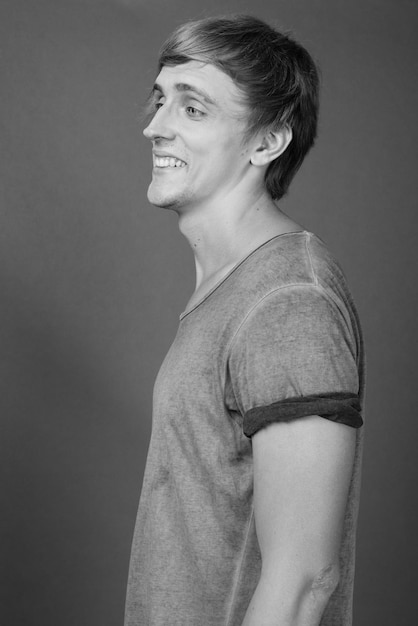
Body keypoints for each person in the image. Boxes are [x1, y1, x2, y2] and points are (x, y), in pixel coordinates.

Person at [125, 14, 364, 626]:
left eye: (193, 108)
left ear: (266, 142)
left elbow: (307, 579)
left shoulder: (286, 301)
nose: (154, 126)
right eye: (160, 100)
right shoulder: (237, 287)